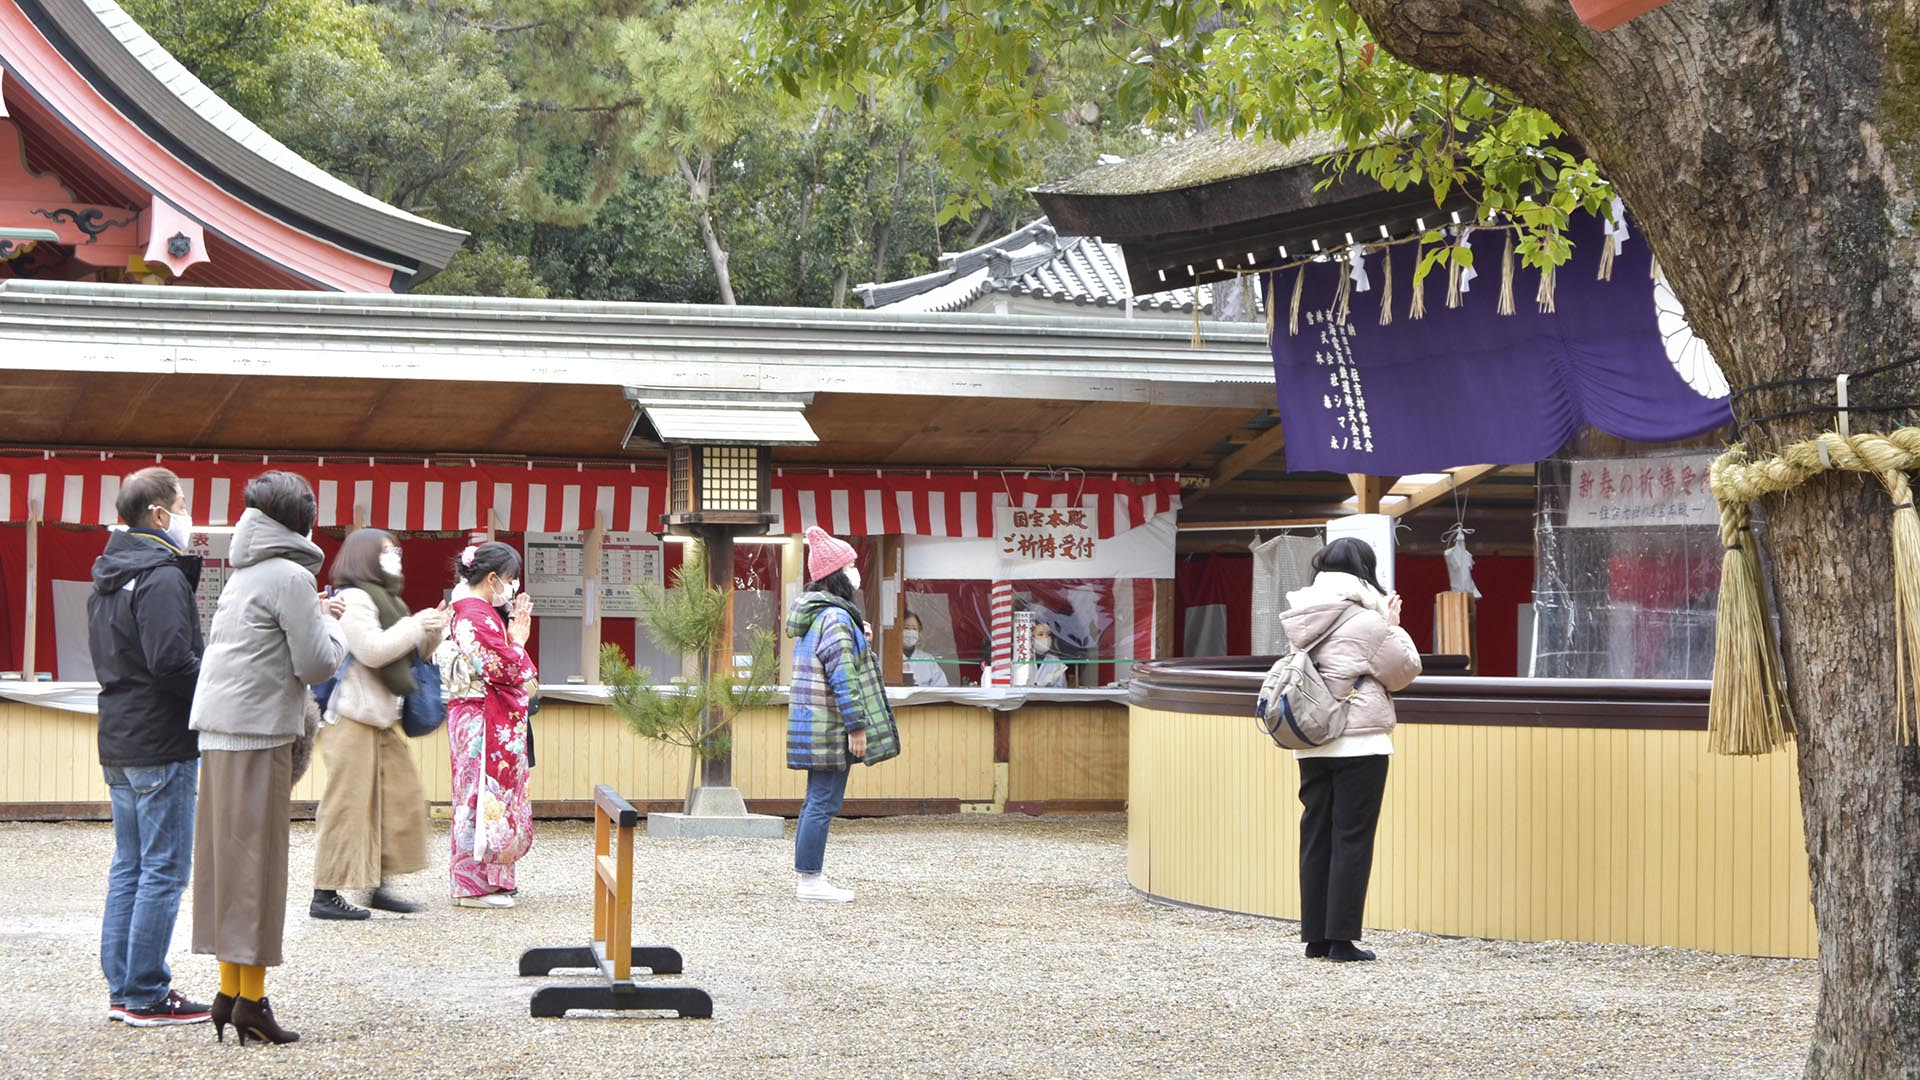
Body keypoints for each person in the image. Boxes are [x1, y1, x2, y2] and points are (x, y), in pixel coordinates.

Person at [189, 471, 348, 1044]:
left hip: (219, 732)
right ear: (299, 520)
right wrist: (341, 631)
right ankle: (251, 1002)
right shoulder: (291, 576)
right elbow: (317, 665)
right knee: (258, 869)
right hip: (258, 735)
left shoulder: (246, 571)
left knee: (226, 867)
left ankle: (228, 990)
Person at [88, 467, 211, 1027]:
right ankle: (144, 992)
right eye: (181, 504)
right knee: (161, 869)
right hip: (161, 736)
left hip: (119, 733)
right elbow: (171, 662)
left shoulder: (109, 575)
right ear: (159, 514)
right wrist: (214, 690)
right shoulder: (161, 575)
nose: (187, 514)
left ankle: (124, 985)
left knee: (130, 866)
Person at [1278, 537, 1421, 963]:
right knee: (1352, 837)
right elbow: (1404, 671)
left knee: (1316, 835)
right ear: (1366, 571)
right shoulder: (1366, 619)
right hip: (1359, 740)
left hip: (1311, 741)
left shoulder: (1302, 615)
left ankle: (1315, 937)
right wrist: (1393, 624)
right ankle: (1342, 939)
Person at [309, 529, 448, 921]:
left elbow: (406, 653)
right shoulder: (354, 598)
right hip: (352, 715)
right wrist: (416, 625)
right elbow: (371, 651)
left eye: (396, 550)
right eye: (387, 551)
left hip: (380, 715)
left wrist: (431, 633)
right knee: (347, 804)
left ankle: (380, 884)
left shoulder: (389, 600)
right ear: (366, 557)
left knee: (399, 797)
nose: (396, 557)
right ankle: (325, 891)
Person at [785, 526, 901, 902]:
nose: (855, 571)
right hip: (832, 723)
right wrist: (857, 726)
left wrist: (859, 638)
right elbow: (843, 677)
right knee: (823, 801)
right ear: (838, 574)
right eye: (851, 565)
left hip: (813, 721)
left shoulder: (820, 616)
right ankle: (810, 881)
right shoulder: (835, 618)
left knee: (816, 799)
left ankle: (809, 877)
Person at [442, 541, 537, 909]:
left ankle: (491, 879)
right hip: (479, 714)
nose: (512, 588)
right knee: (476, 796)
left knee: (485, 794)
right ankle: (470, 885)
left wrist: (512, 639)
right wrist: (518, 641)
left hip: (480, 711)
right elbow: (505, 669)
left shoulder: (472, 611)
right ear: (494, 578)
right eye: (511, 580)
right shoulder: (473, 615)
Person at [901, 611, 948, 688]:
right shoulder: (889, 658)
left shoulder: (927, 659)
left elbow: (941, 685)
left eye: (914, 628)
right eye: (906, 628)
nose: (910, 632)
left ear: (919, 632)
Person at [1030, 621, 1069, 688]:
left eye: (1048, 634)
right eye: (1040, 634)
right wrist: (1040, 684)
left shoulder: (1055, 661)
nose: (1046, 638)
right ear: (1030, 638)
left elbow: (1062, 690)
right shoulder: (1022, 658)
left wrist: (1051, 684)